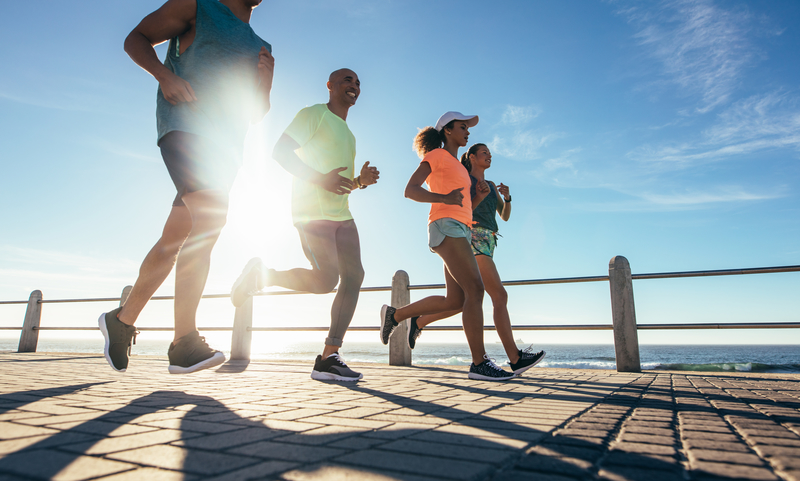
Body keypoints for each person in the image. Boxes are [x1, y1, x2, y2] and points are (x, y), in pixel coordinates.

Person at [98, 0, 274, 374]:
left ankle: (122, 320)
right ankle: (184, 342)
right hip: (185, 127)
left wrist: (266, 82)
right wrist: (164, 75)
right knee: (210, 221)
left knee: (174, 238)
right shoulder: (199, 6)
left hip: (225, 149)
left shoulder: (262, 47)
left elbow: (255, 112)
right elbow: (136, 38)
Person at [231, 68, 379, 382]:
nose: (354, 85)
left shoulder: (349, 134)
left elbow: (338, 183)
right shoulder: (314, 114)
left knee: (354, 276)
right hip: (312, 214)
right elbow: (280, 152)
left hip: (342, 214)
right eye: (347, 80)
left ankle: (329, 355)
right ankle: (262, 275)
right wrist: (319, 179)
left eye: (358, 82)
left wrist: (360, 183)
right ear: (330, 86)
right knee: (326, 280)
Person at [379, 112, 515, 381]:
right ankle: (479, 363)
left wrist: (477, 197)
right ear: (448, 131)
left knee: (457, 300)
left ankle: (396, 316)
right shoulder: (437, 156)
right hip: (445, 226)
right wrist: (443, 197)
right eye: (463, 127)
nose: (467, 131)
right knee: (476, 290)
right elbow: (411, 189)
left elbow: (462, 205)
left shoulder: (458, 167)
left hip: (461, 229)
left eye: (468, 128)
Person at [408, 143, 546, 375]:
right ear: (471, 157)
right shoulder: (464, 178)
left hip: (489, 240)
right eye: (484, 153)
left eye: (489, 153)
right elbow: (462, 208)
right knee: (498, 294)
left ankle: (417, 321)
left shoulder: (491, 185)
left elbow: (504, 216)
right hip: (470, 237)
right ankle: (514, 357)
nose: (489, 155)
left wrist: (507, 197)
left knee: (459, 300)